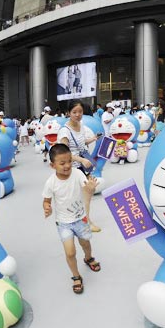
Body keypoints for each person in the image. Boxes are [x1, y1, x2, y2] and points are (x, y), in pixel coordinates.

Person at [42, 144, 101, 294]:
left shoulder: (78, 174)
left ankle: (88, 258)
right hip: (63, 223)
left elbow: (86, 188)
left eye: (69, 161)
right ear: (52, 165)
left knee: (85, 244)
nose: (67, 165)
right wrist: (47, 207)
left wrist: (91, 187)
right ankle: (76, 276)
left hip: (80, 219)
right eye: (62, 163)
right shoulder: (51, 183)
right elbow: (47, 200)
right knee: (70, 252)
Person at [57, 100, 102, 233]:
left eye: (80, 112)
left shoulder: (80, 125)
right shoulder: (64, 131)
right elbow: (65, 154)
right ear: (68, 113)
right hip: (73, 168)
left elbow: (81, 143)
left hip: (83, 166)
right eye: (74, 112)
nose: (78, 115)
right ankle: (85, 222)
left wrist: (93, 138)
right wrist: (81, 159)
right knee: (86, 192)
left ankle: (84, 221)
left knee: (86, 193)